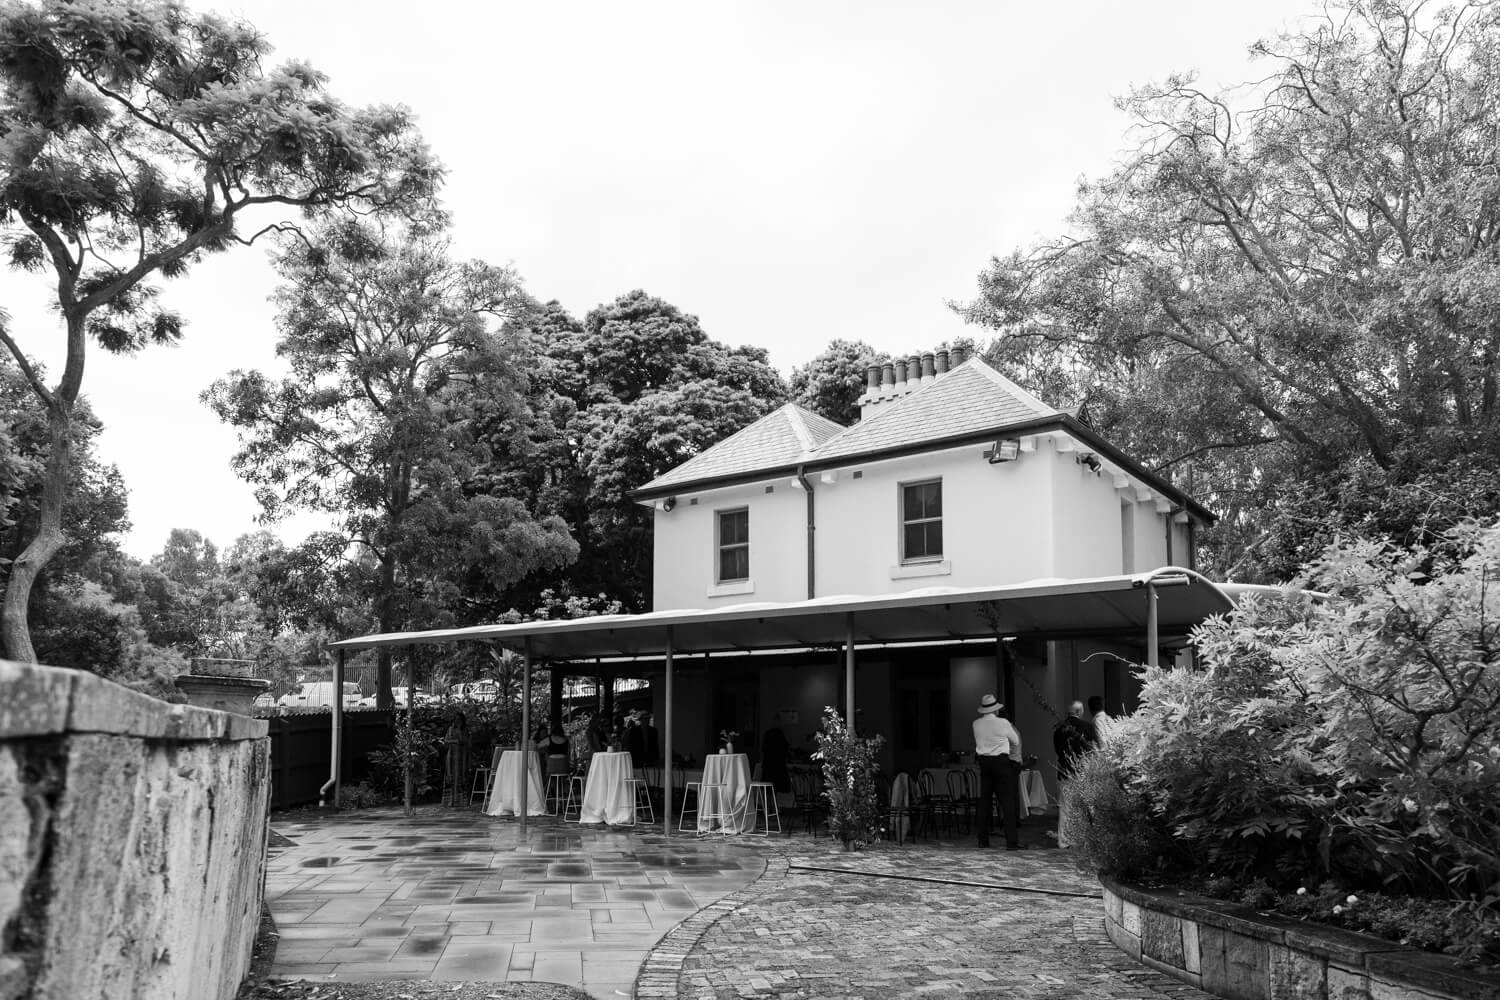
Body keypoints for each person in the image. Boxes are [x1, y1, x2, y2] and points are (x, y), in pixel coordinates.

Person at [972, 693, 1023, 849]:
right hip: (1001, 762)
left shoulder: (976, 724)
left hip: (984, 762)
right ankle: (1011, 842)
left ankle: (982, 840)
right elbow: (1015, 740)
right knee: (1007, 802)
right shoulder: (1003, 722)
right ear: (995, 709)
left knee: (985, 802)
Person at [1052, 701, 1099, 848]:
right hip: (1082, 770)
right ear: (1079, 712)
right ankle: (1084, 840)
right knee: (1085, 806)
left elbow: (1057, 751)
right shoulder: (1087, 727)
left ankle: (1064, 841)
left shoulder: (1058, 729)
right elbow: (1094, 748)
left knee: (1065, 807)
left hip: (1064, 771)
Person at [442, 711, 469, 807]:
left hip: (461, 756)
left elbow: (464, 741)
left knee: (460, 776)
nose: (457, 721)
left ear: (462, 720)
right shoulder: (450, 729)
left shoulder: (464, 730)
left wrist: (459, 731)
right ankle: (450, 800)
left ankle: (460, 801)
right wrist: (454, 741)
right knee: (450, 776)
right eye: (455, 719)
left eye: (459, 719)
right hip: (451, 755)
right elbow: (446, 740)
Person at [761, 726, 791, 794]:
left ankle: (770, 798)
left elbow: (764, 749)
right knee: (774, 787)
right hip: (779, 769)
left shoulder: (768, 742)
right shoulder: (781, 744)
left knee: (769, 788)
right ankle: (773, 798)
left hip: (769, 768)